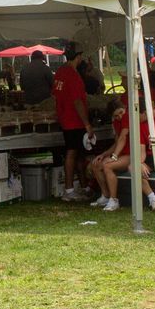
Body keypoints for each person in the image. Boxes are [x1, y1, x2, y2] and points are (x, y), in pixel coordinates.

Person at [51, 45, 91, 201]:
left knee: (77, 154)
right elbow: (77, 102)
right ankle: (69, 189)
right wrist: (87, 124)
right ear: (78, 57)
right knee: (72, 153)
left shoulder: (60, 72)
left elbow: (56, 95)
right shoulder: (73, 75)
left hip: (65, 118)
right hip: (74, 120)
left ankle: (83, 186)